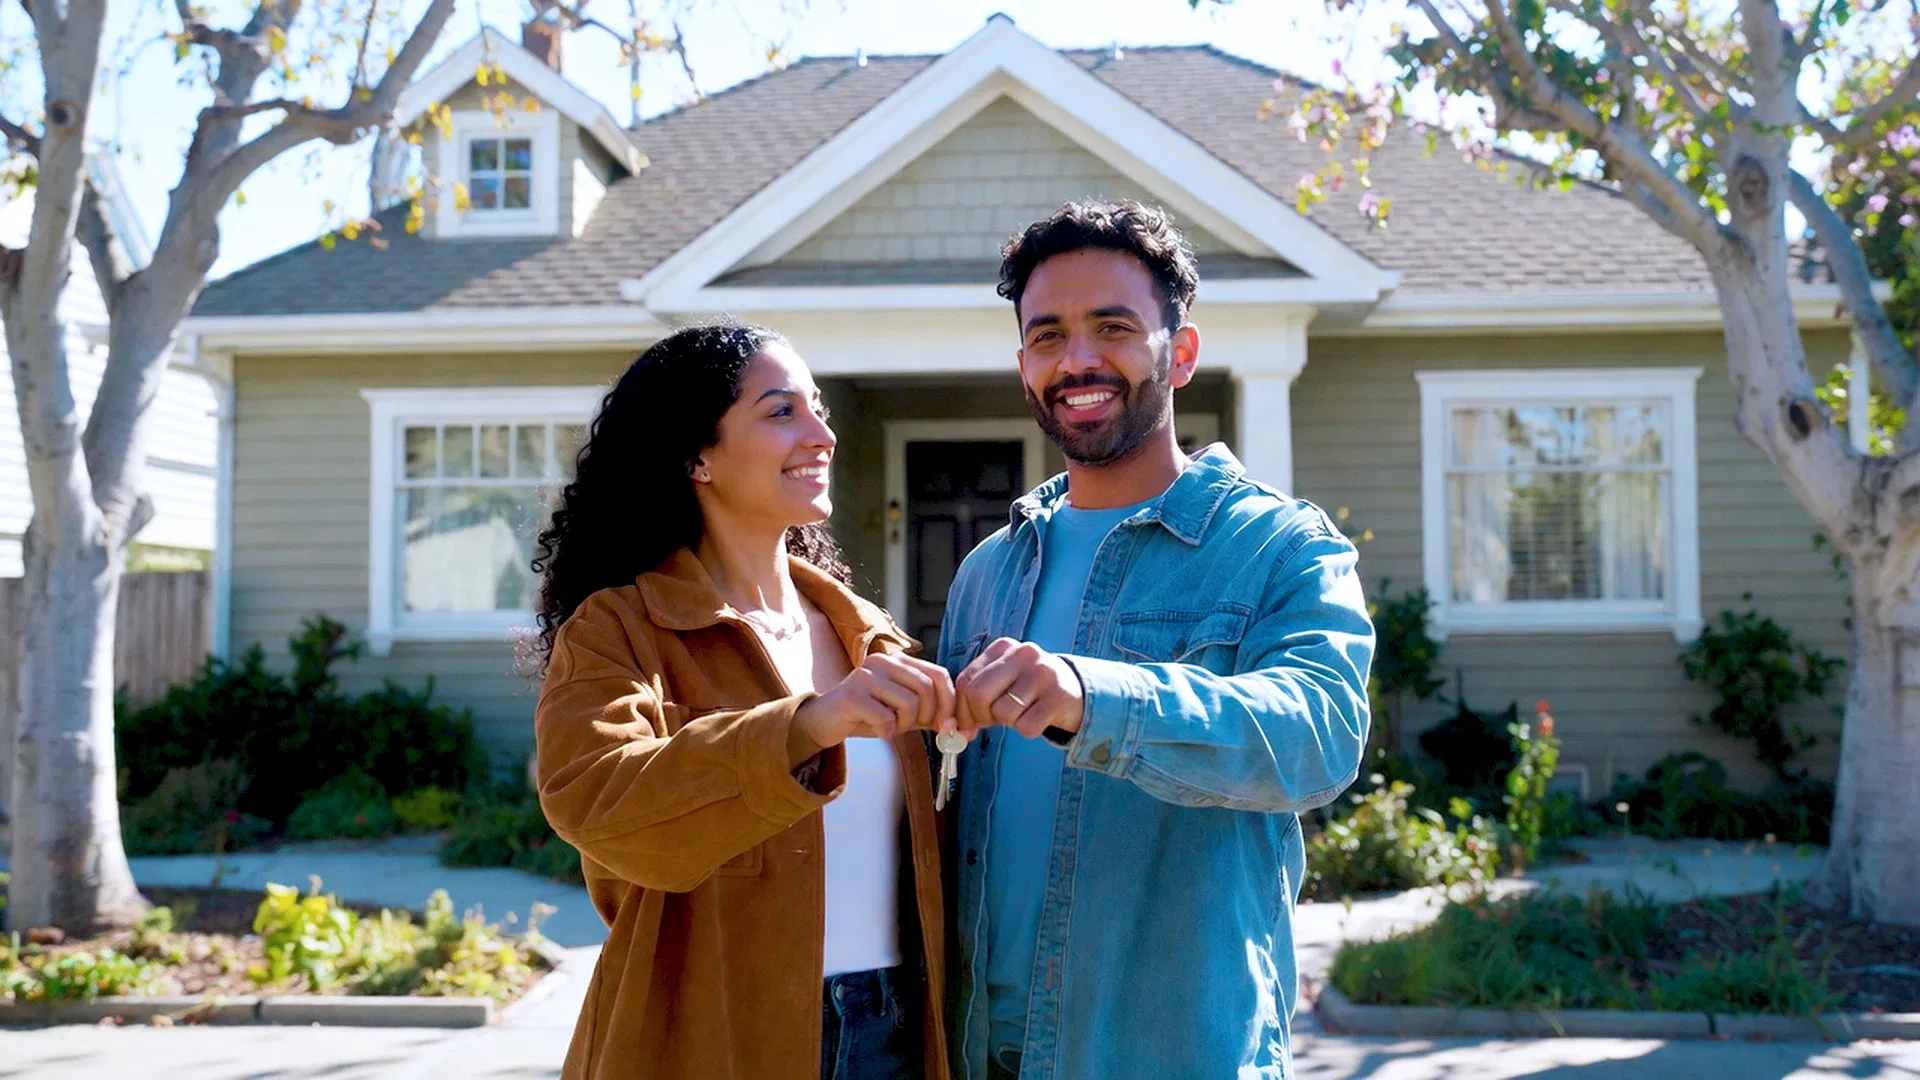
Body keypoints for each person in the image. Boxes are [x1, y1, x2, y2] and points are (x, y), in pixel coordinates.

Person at [937, 201, 1375, 1079]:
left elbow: (1319, 737)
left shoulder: (1280, 547)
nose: (1079, 360)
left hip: (1173, 1056)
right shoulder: (988, 571)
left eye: (1113, 327)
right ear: (1024, 366)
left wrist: (1095, 697)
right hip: (984, 1049)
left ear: (1179, 353)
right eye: (1048, 336)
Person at [530, 320, 955, 1080]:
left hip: (890, 1033)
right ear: (696, 454)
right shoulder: (619, 631)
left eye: (819, 406)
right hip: (706, 1038)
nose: (823, 433)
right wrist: (811, 722)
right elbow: (595, 797)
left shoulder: (870, 637)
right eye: (782, 411)